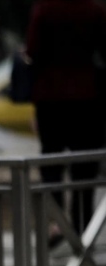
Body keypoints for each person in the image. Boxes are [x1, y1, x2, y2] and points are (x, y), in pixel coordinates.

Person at [24, 0, 106, 246]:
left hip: (51, 99)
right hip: (87, 98)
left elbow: (32, 51)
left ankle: (57, 222)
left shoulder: (44, 9)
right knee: (84, 166)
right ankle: (83, 226)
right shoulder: (94, 9)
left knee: (51, 163)